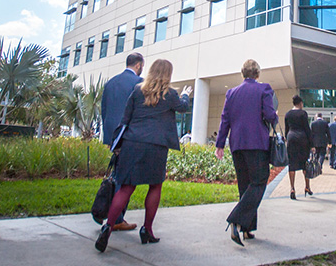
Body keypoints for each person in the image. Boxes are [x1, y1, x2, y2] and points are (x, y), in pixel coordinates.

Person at [95, 59, 192, 252]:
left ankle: (107, 227)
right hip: (156, 147)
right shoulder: (170, 94)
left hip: (133, 144)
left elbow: (125, 119)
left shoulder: (138, 91)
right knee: (155, 186)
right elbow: (183, 107)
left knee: (126, 188)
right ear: (168, 74)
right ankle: (147, 230)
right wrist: (185, 95)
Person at [215, 59, 278, 247]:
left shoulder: (231, 93)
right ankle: (236, 219)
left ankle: (247, 229)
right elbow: (269, 115)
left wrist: (220, 144)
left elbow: (225, 119)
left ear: (243, 74)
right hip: (257, 143)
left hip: (237, 144)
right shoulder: (264, 89)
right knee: (259, 181)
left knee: (245, 186)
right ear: (257, 74)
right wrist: (274, 114)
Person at [99, 52, 144, 231]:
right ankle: (116, 218)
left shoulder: (110, 83)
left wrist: (109, 137)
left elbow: (104, 111)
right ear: (139, 65)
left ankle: (111, 214)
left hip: (113, 135)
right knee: (123, 178)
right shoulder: (138, 84)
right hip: (130, 135)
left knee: (118, 173)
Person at [284, 95, 312, 199]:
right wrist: (312, 144)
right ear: (300, 103)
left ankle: (292, 188)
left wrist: (287, 140)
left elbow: (287, 129)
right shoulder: (303, 113)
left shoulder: (288, 114)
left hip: (291, 138)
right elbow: (307, 128)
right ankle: (307, 186)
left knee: (292, 164)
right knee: (305, 163)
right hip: (302, 139)